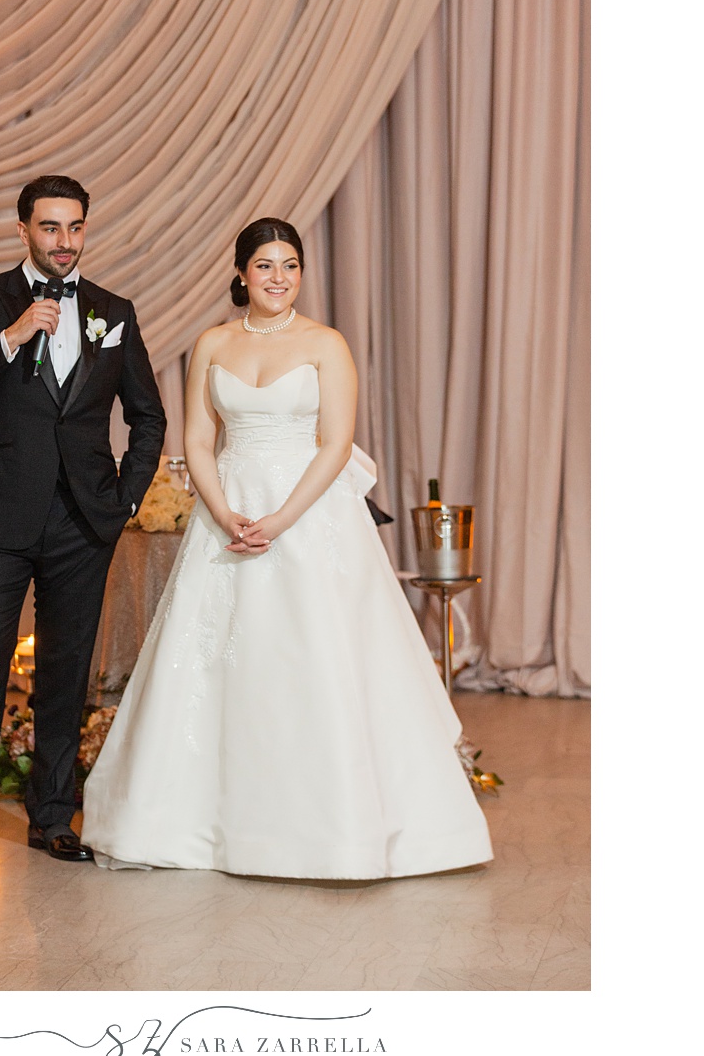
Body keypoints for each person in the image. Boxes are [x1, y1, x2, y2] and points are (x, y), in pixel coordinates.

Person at [81, 218, 492, 879]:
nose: (279, 277)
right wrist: (223, 514)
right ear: (241, 272)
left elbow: (334, 443)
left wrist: (279, 519)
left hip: (309, 512)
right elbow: (199, 441)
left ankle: (338, 829)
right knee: (218, 662)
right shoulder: (212, 343)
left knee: (318, 659)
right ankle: (201, 823)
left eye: (290, 264)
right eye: (266, 265)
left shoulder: (326, 343)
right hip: (229, 511)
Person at [0, 176, 166, 876]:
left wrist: (125, 499)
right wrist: (11, 337)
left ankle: (52, 819)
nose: (64, 241)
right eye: (49, 227)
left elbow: (148, 416)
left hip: (82, 520)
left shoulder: (114, 311)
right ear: (22, 229)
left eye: (74, 227)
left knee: (63, 673)